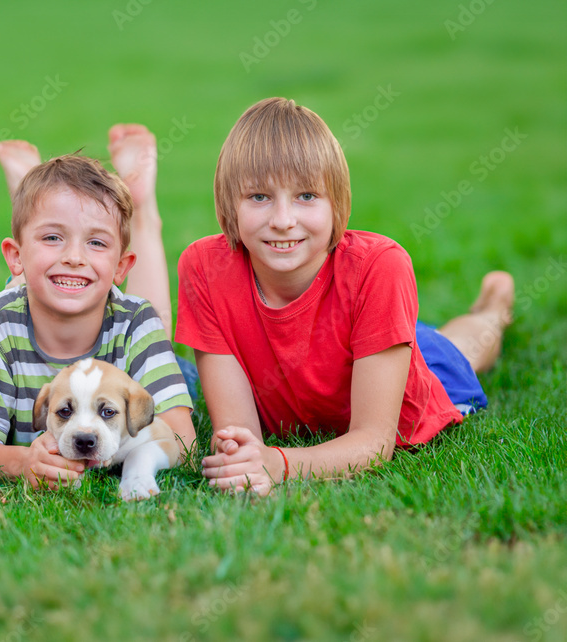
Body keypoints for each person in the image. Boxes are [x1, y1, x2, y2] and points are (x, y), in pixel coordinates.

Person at [176, 97, 514, 496]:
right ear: (229, 205)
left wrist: (278, 464)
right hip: (358, 339)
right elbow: (239, 438)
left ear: (337, 204)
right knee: (427, 336)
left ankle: (494, 309)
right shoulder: (204, 267)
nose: (283, 221)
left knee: (462, 348)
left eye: (306, 196)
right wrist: (248, 457)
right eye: (259, 197)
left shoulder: (381, 267)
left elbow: (374, 444)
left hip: (396, 367)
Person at [0, 142, 196, 490]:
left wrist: (136, 462)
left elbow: (182, 441)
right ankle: (29, 232)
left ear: (121, 267)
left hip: (134, 350)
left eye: (96, 243)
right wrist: (25, 461)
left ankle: (142, 213)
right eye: (53, 237)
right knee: (44, 285)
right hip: (25, 308)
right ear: (14, 255)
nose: (74, 256)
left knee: (159, 332)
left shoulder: (135, 321)